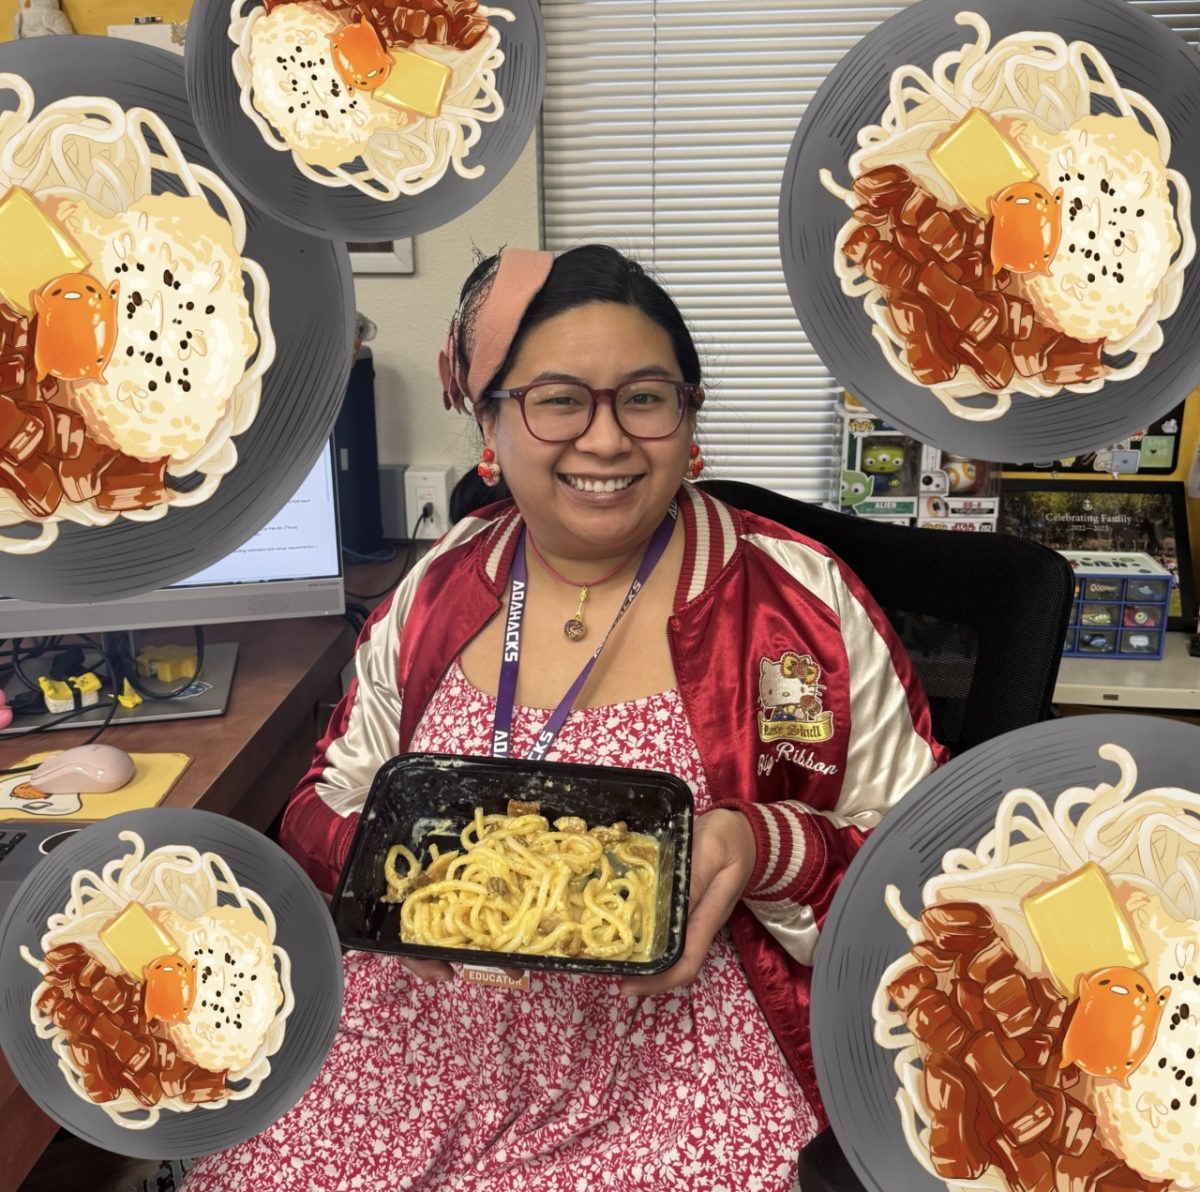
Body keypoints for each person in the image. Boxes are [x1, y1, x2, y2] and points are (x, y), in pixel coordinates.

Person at [181, 244, 946, 1191]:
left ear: (689, 419)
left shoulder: (799, 603)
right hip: (430, 1029)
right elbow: (320, 803)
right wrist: (393, 889)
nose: (607, 439)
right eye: (557, 399)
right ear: (491, 430)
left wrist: (763, 846)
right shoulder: (441, 584)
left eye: (645, 396)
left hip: (689, 1052)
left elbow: (927, 878)